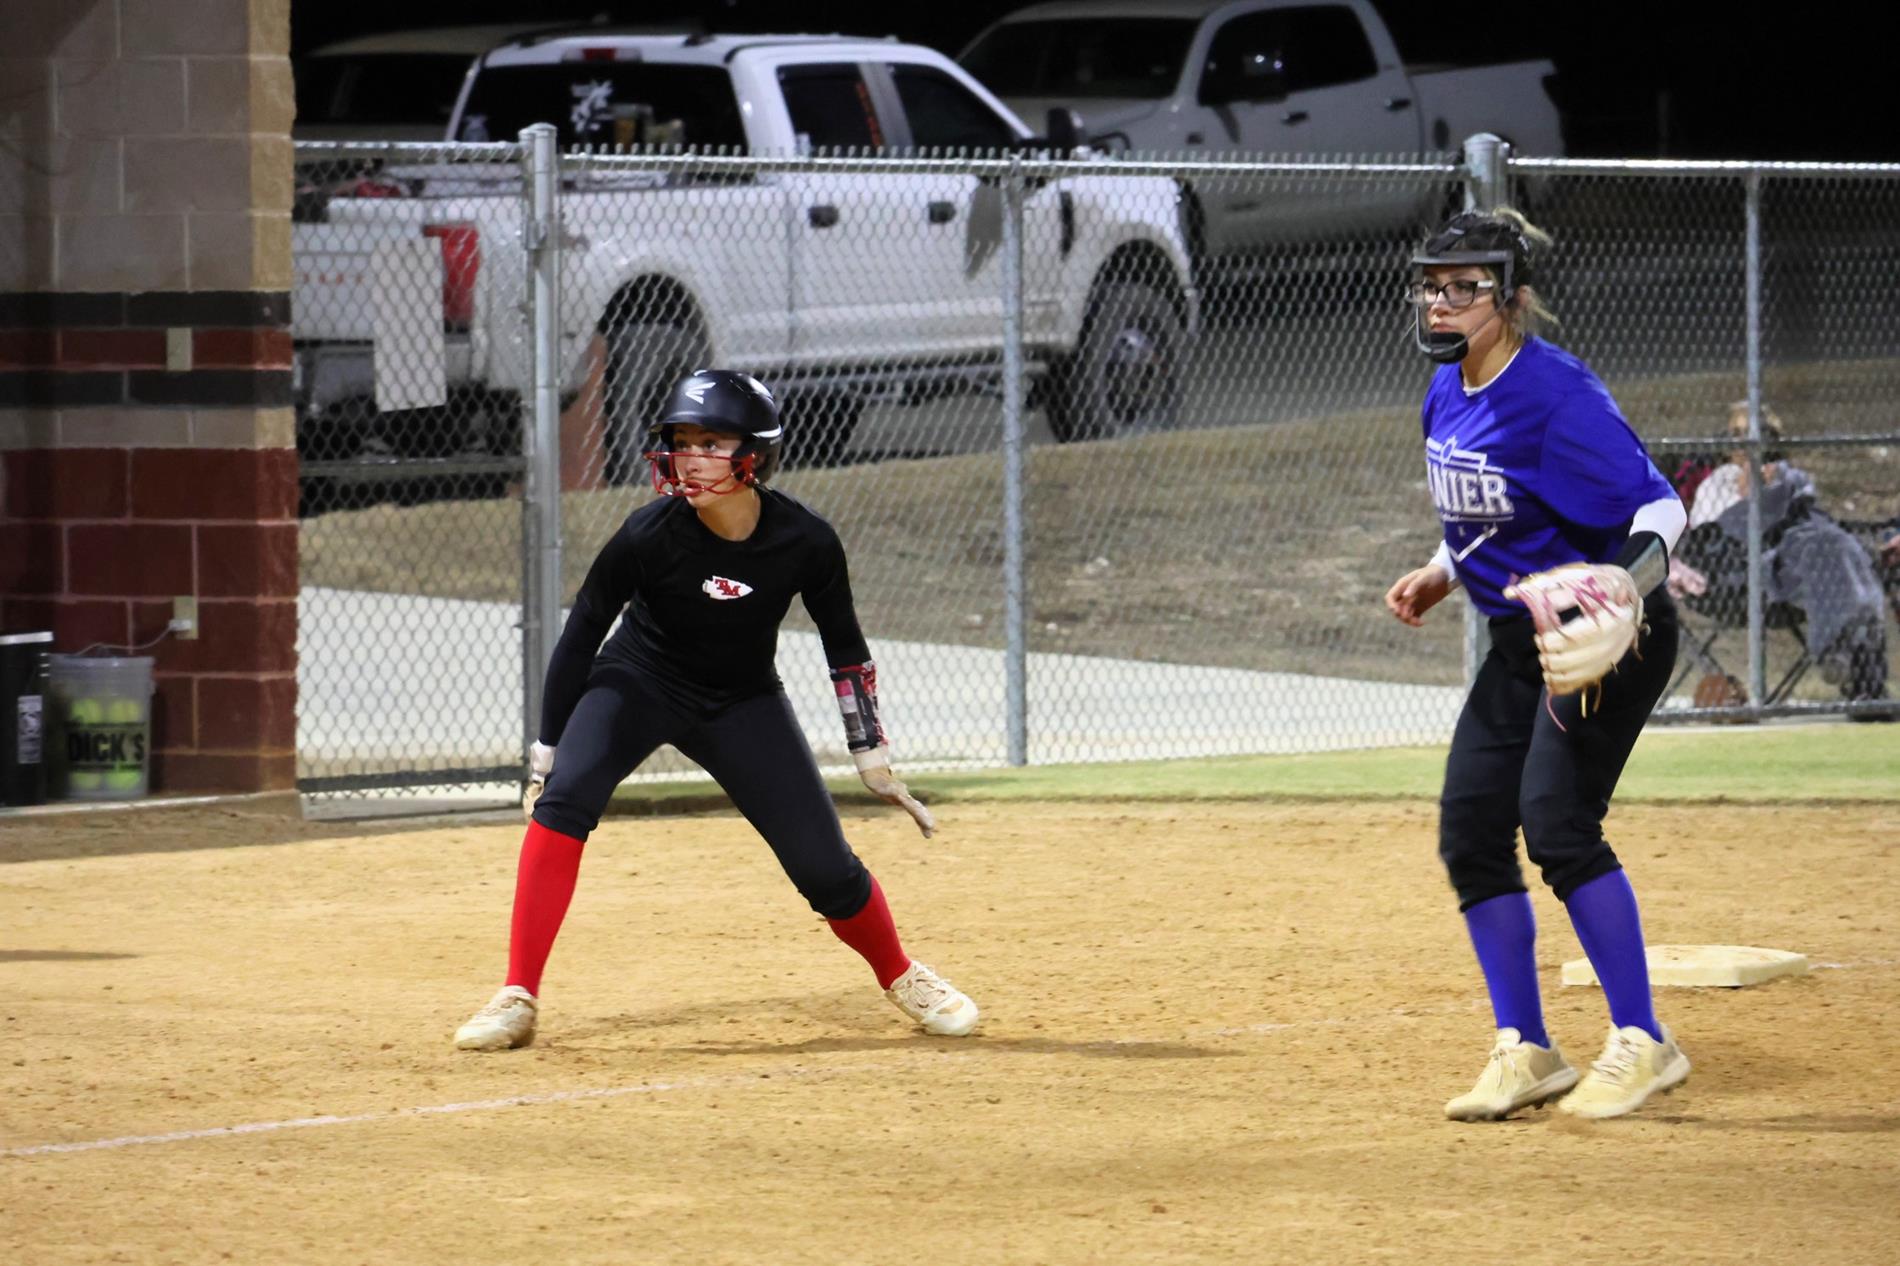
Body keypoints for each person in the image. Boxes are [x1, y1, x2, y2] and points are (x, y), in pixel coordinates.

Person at [454, 369, 979, 1051]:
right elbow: (583, 631)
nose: (689, 456)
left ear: (755, 454)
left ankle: (902, 973)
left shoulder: (805, 541)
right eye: (681, 440)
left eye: (710, 441)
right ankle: (516, 995)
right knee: (566, 801)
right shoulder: (648, 534)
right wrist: (547, 751)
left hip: (740, 698)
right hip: (638, 679)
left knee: (825, 868)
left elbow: (844, 648)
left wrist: (870, 755)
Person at [1383, 209, 1692, 1121]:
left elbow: (1662, 507)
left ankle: (1643, 1040)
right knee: (1472, 832)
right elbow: (1485, 510)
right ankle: (1526, 1048)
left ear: (1511, 297)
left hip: (1607, 638)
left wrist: (1627, 590)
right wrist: (1445, 571)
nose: (1443, 303)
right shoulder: (1447, 386)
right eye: (1433, 284)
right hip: (1523, 645)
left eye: (1466, 286)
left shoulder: (1554, 393)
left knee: (1555, 822)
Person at [1676, 401, 1890, 705]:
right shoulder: (1717, 482)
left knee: (1835, 549)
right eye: (1736, 433)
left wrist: (1775, 488)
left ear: (1771, 438)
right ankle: (1855, 670)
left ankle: (1857, 681)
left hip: (1796, 569)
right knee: (1835, 551)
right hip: (1743, 576)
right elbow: (1710, 543)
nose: (1743, 441)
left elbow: (1806, 515)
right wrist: (1752, 501)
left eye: (1752, 432)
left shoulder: (1789, 476)